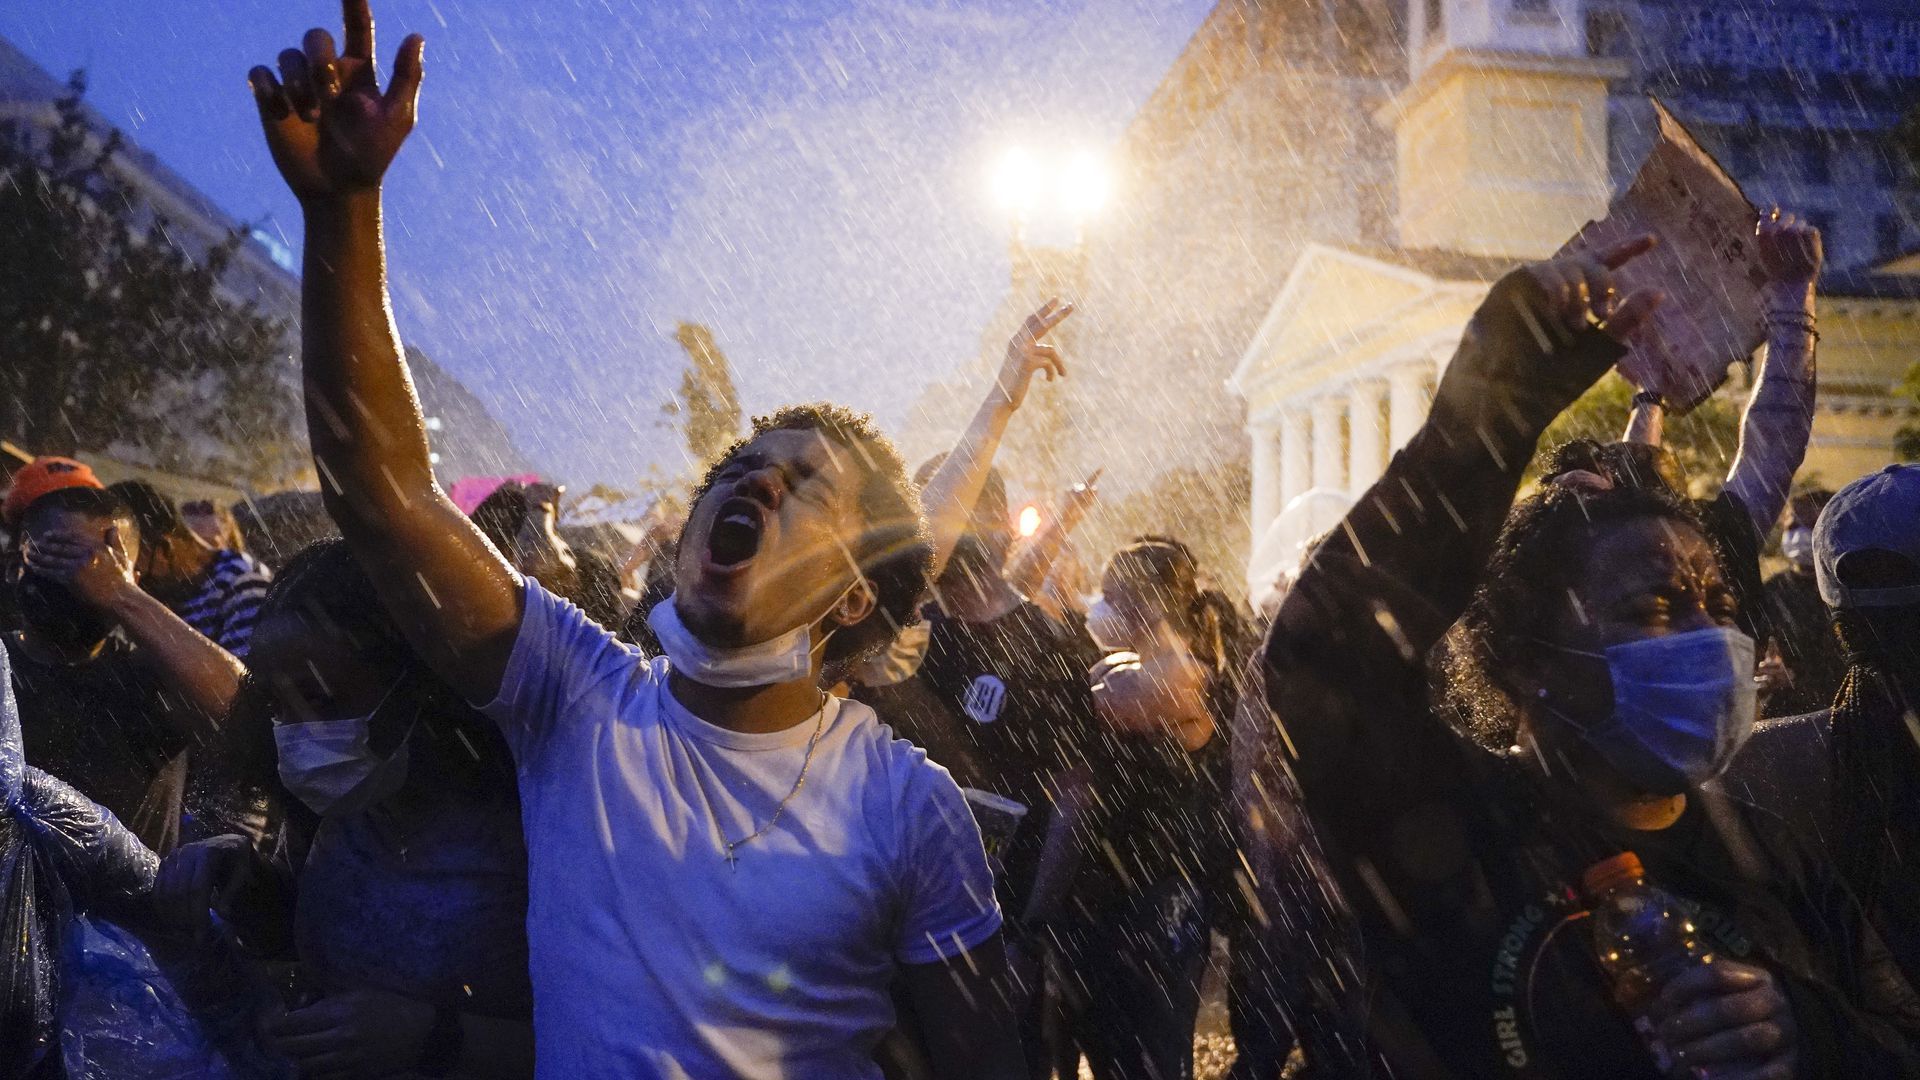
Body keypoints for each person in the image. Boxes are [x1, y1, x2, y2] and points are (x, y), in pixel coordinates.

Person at [243, 5, 1021, 1076]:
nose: (753, 480)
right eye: (740, 468)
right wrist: (344, 213)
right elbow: (386, 498)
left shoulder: (910, 807)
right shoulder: (575, 699)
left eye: (804, 486)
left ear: (850, 596)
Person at [1262, 234, 1920, 1076]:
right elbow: (1324, 657)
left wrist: (1805, 1032)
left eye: (1718, 604)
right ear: (1529, 657)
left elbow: (1895, 1038)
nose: (1707, 636)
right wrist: (1495, 401)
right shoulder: (1450, 827)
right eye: (1652, 605)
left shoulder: (1773, 852)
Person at [157, 539, 535, 1078]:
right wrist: (245, 879)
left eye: (323, 700)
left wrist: (437, 1036)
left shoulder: (533, 829)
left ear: (420, 683)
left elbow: (618, 1038)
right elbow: (332, 936)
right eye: (276, 705)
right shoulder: (346, 805)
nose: (297, 734)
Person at [1047, 537, 1247, 1080]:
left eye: (1110, 595)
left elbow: (1105, 698)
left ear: (1143, 604)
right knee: (1114, 1052)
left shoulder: (1183, 673)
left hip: (1161, 893)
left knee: (1156, 1059)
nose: (1100, 606)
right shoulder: (1147, 663)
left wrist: (1086, 663)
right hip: (1115, 889)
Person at [3, 462, 243, 853]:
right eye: (61, 556)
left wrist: (122, 597)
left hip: (122, 909)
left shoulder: (147, 677)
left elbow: (244, 707)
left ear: (131, 577)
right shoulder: (2, 664)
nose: (80, 579)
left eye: (101, 566)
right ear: (17, 567)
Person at [111, 480, 274, 660]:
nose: (131, 579)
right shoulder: (176, 590)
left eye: (129, 565)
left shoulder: (242, 582)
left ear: (164, 551)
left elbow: (242, 681)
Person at [1755, 488, 1843, 717]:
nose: (1800, 535)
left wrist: (1797, 680)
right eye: (1794, 526)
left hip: (1836, 717)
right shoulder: (1771, 590)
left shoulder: (1844, 591)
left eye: (1812, 526)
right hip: (1782, 718)